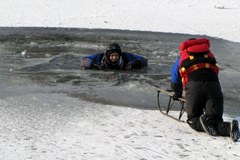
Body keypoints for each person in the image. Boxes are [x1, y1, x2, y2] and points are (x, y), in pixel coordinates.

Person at [171, 38, 240, 142]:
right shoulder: (208, 53)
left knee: (192, 118)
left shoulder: (183, 55)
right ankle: (229, 128)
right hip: (214, 85)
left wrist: (177, 91)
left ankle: (202, 122)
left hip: (195, 85)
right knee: (216, 119)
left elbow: (175, 76)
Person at [80, 43, 148, 70]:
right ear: (108, 56)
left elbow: (144, 60)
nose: (114, 58)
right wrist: (94, 64)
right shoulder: (100, 57)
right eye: (112, 56)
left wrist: (137, 63)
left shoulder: (126, 56)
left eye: (116, 55)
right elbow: (84, 61)